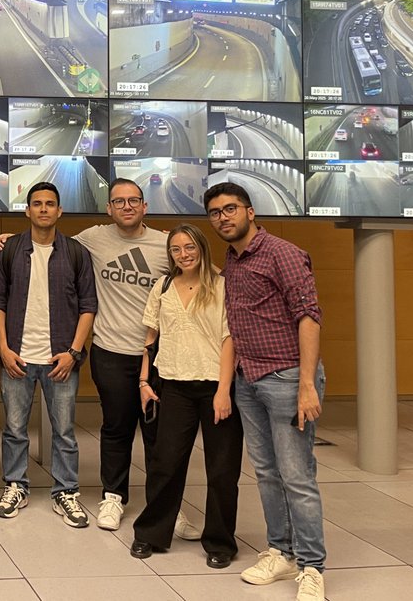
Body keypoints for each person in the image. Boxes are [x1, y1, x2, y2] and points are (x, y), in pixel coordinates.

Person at [0, 178, 198, 538]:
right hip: (101, 353)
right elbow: (5, 289)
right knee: (112, 431)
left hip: (155, 355)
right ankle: (107, 496)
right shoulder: (88, 240)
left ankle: (160, 506)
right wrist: (7, 237)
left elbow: (194, 268)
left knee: (155, 436)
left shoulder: (157, 244)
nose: (127, 207)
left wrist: (73, 352)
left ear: (145, 206)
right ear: (109, 209)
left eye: (134, 201)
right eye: (119, 201)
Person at [204, 183, 327, 601]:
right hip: (249, 381)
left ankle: (312, 566)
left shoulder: (283, 253)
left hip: (289, 378)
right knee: (268, 474)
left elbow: (308, 316)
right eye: (216, 212)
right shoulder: (233, 260)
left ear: (251, 211)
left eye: (230, 209)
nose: (223, 217)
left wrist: (307, 384)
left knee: (298, 476)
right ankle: (283, 550)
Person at [131, 224, 242, 569]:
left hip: (214, 386)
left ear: (202, 247)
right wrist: (144, 380)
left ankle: (220, 541)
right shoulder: (163, 285)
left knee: (222, 469)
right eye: (176, 249)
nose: (184, 254)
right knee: (166, 463)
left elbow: (230, 340)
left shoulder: (223, 285)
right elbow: (151, 335)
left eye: (189, 247)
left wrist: (223, 391)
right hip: (174, 385)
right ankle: (151, 534)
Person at [0, 183, 97, 528]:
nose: (44, 209)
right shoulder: (9, 250)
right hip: (17, 356)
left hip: (60, 360)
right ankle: (15, 485)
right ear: (28, 210)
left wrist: (74, 352)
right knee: (14, 428)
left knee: (64, 430)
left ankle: (65, 491)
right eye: (37, 204)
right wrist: (4, 348)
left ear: (59, 211)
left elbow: (88, 306)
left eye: (50, 204)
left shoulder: (76, 252)